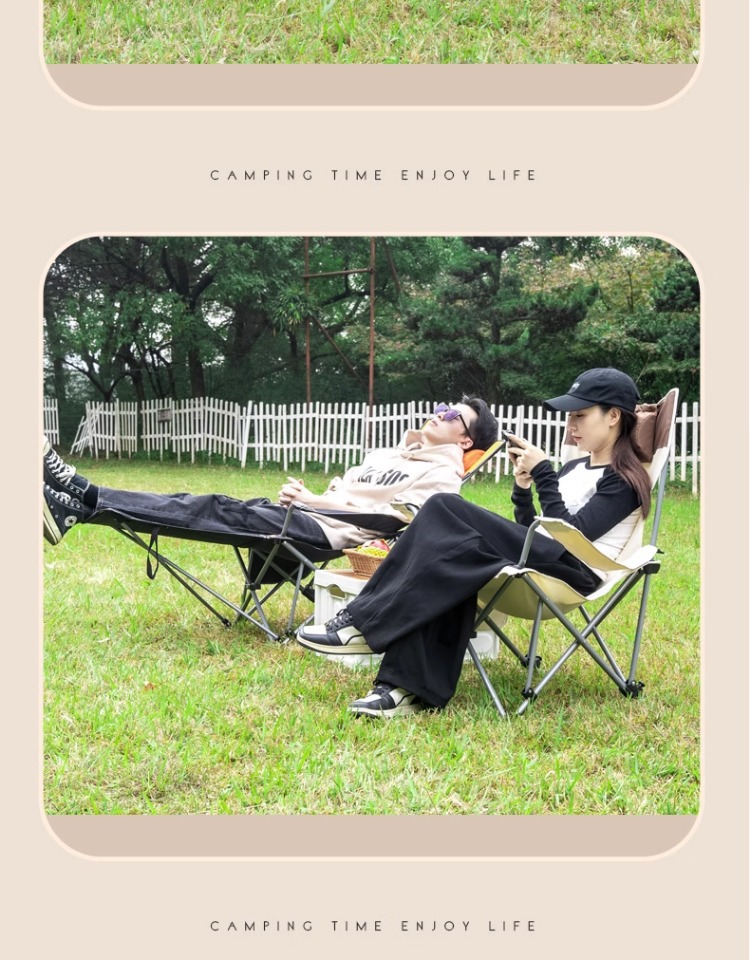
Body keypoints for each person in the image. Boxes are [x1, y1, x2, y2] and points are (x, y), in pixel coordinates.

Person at [296, 368, 652, 718]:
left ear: (613, 416)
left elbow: (571, 537)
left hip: (574, 571)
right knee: (449, 556)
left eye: (580, 415)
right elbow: (534, 531)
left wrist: (544, 474)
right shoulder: (575, 469)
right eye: (569, 416)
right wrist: (523, 490)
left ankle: (362, 623)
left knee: (443, 505)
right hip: (543, 556)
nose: (570, 425)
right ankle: (403, 689)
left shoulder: (624, 479)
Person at [42, 397, 499, 551]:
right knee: (204, 505)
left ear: (465, 441)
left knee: (211, 508)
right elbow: (345, 492)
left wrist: (311, 502)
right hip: (307, 515)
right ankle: (76, 506)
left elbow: (395, 522)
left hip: (326, 534)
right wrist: (309, 494)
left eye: (453, 415)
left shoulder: (444, 476)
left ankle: (82, 491)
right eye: (443, 406)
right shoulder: (390, 454)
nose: (441, 413)